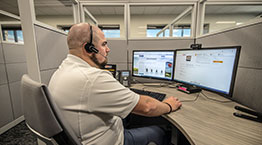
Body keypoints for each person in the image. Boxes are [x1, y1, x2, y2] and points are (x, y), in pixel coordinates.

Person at [48, 23, 182, 145]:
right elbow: (148, 107)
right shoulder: (93, 78)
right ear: (89, 48)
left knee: (129, 115)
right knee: (159, 132)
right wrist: (169, 105)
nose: (108, 49)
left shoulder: (62, 70)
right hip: (113, 140)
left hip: (87, 132)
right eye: (104, 44)